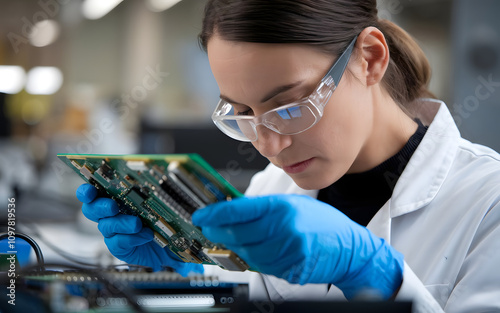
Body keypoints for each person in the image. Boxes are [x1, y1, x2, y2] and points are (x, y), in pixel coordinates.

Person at [76, 1, 500, 312]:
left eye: (290, 108)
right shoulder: (271, 187)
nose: (269, 146)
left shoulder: (488, 203)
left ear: (370, 59)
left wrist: (379, 278)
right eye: (243, 113)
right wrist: (181, 277)